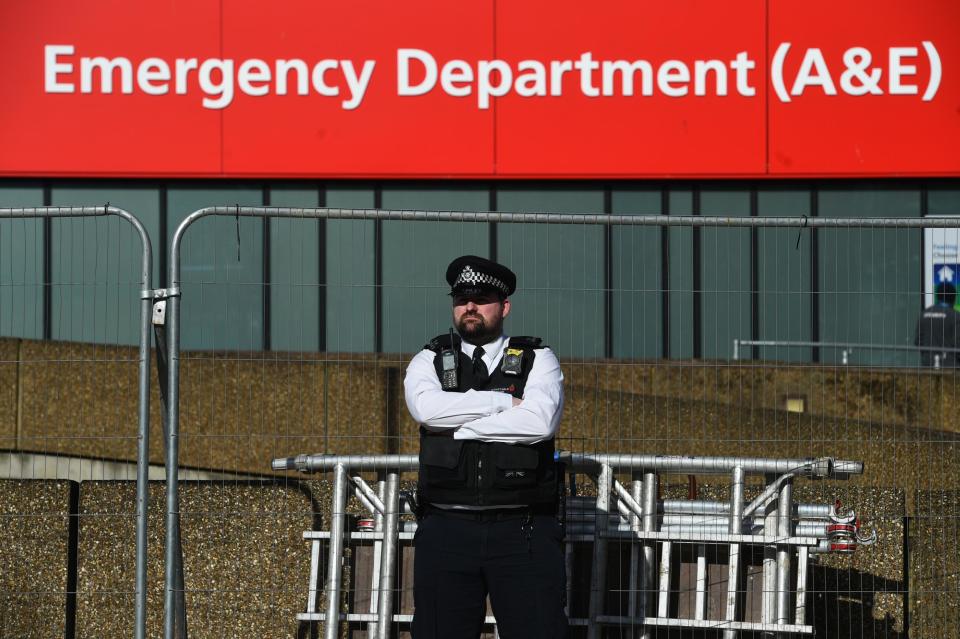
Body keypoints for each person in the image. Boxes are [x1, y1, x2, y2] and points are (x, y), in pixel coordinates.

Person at [403, 255, 568, 639]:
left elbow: (539, 423)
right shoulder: (429, 359)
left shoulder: (538, 359)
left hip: (523, 530)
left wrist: (458, 425)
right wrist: (500, 403)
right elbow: (427, 410)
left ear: (504, 306)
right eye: (461, 299)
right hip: (446, 529)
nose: (470, 307)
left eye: (482, 297)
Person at [916, 282, 960, 368]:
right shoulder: (956, 316)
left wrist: (928, 355)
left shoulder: (924, 314)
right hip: (950, 367)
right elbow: (958, 343)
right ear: (953, 298)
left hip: (928, 364)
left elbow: (918, 341)